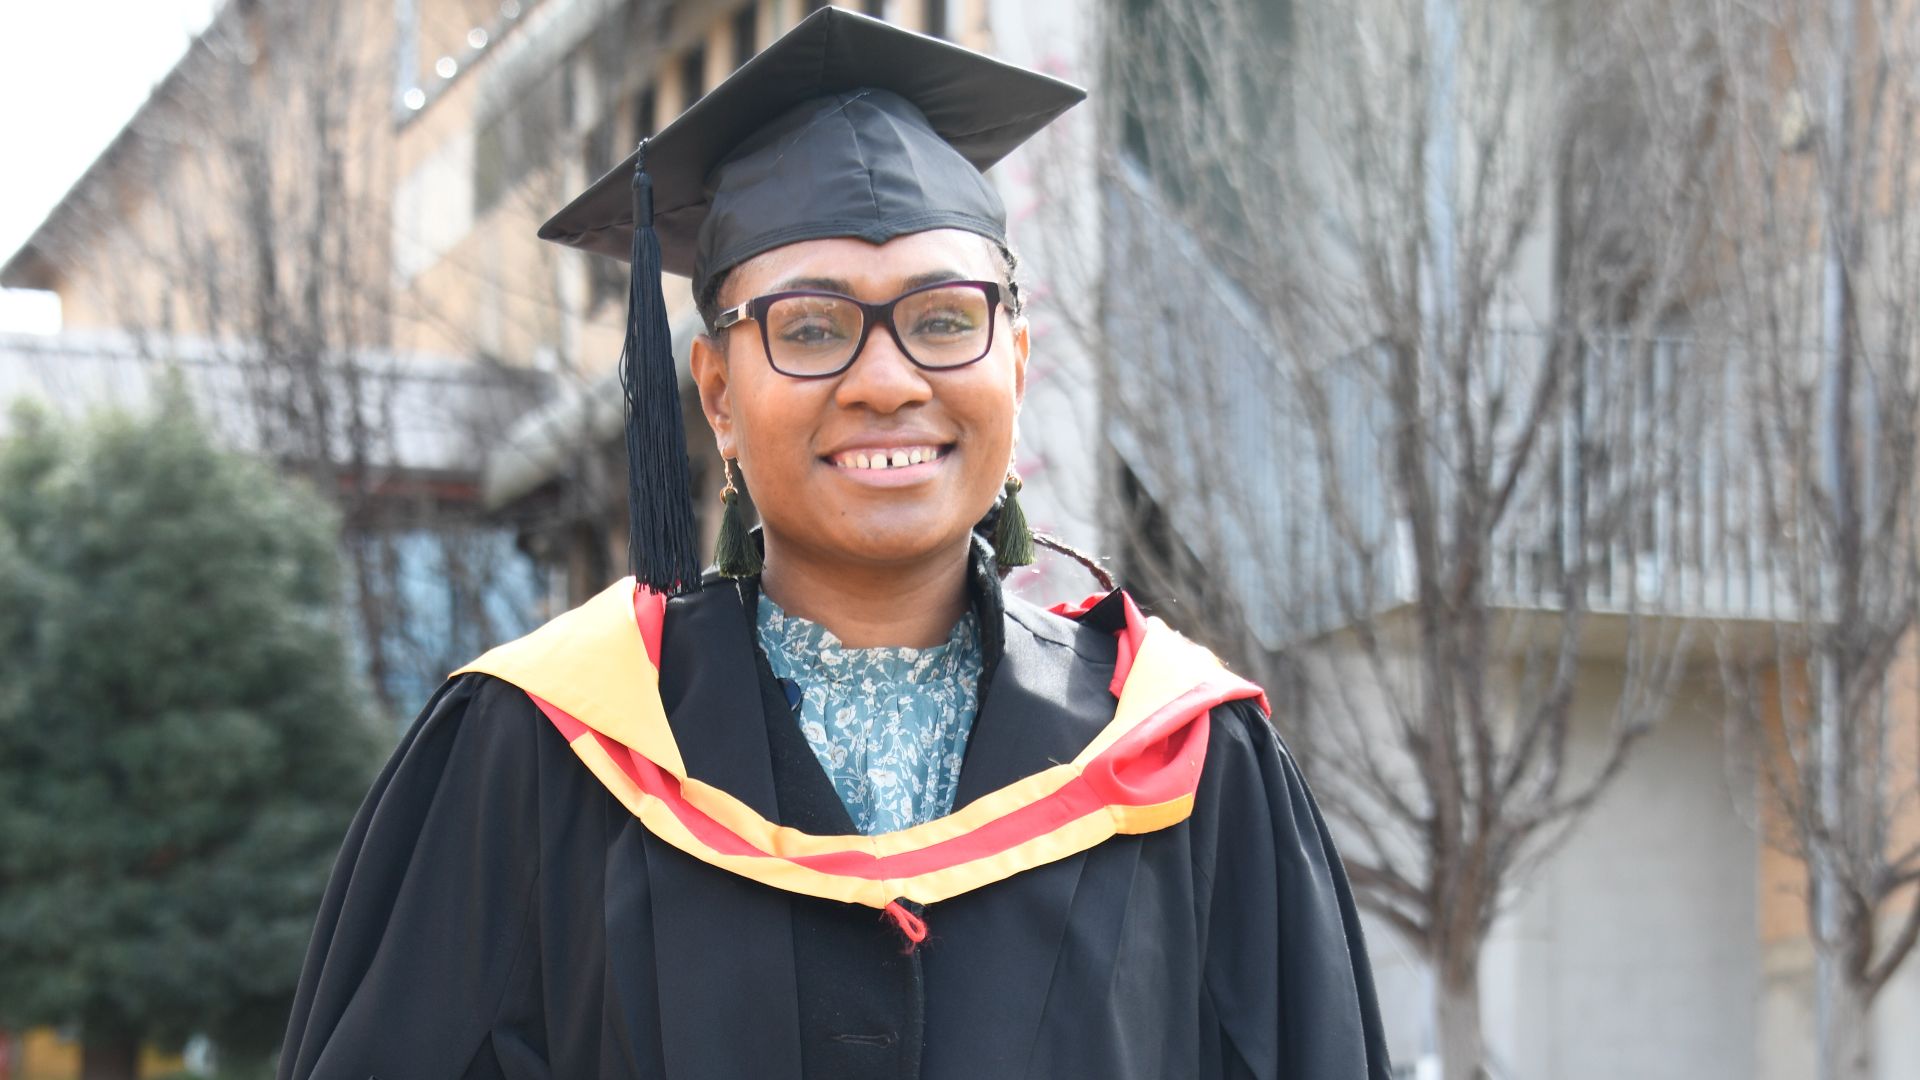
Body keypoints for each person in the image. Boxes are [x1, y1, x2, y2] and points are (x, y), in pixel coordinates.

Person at [276, 9, 1391, 1079]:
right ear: (716, 393)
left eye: (945, 317)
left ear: (1017, 358)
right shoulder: (539, 750)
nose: (889, 380)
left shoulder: (1187, 762)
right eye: (809, 328)